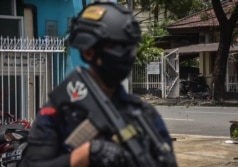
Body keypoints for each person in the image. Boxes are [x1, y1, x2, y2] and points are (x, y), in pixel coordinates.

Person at [17, 1, 177, 167]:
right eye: (116, 45)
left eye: (129, 46)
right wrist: (85, 154)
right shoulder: (60, 112)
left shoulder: (143, 114)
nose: (126, 54)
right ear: (88, 52)